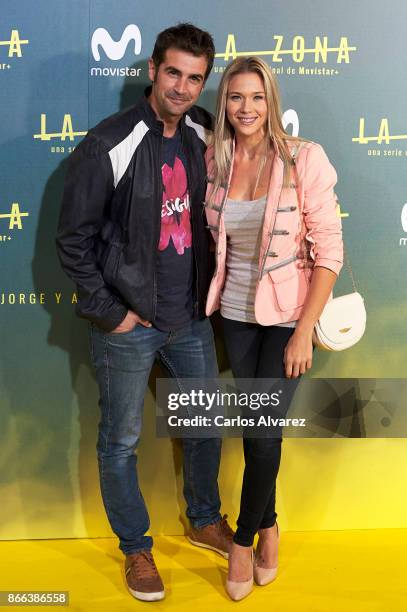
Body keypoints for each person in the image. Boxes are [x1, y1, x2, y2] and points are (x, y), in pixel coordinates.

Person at [56, 23, 234, 603]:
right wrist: (113, 314)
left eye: (196, 78)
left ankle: (204, 517)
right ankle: (136, 549)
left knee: (206, 426)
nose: (183, 87)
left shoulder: (206, 131)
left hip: (190, 319)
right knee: (121, 441)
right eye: (174, 73)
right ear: (153, 70)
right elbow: (73, 241)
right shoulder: (110, 140)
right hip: (130, 326)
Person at [204, 56, 343, 601]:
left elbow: (328, 250)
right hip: (235, 318)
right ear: (224, 104)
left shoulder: (303, 157)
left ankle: (243, 540)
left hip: (288, 320)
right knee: (262, 433)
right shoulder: (215, 159)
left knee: (261, 435)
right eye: (236, 97)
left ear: (272, 101)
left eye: (257, 97)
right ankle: (271, 525)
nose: (246, 108)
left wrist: (304, 331)